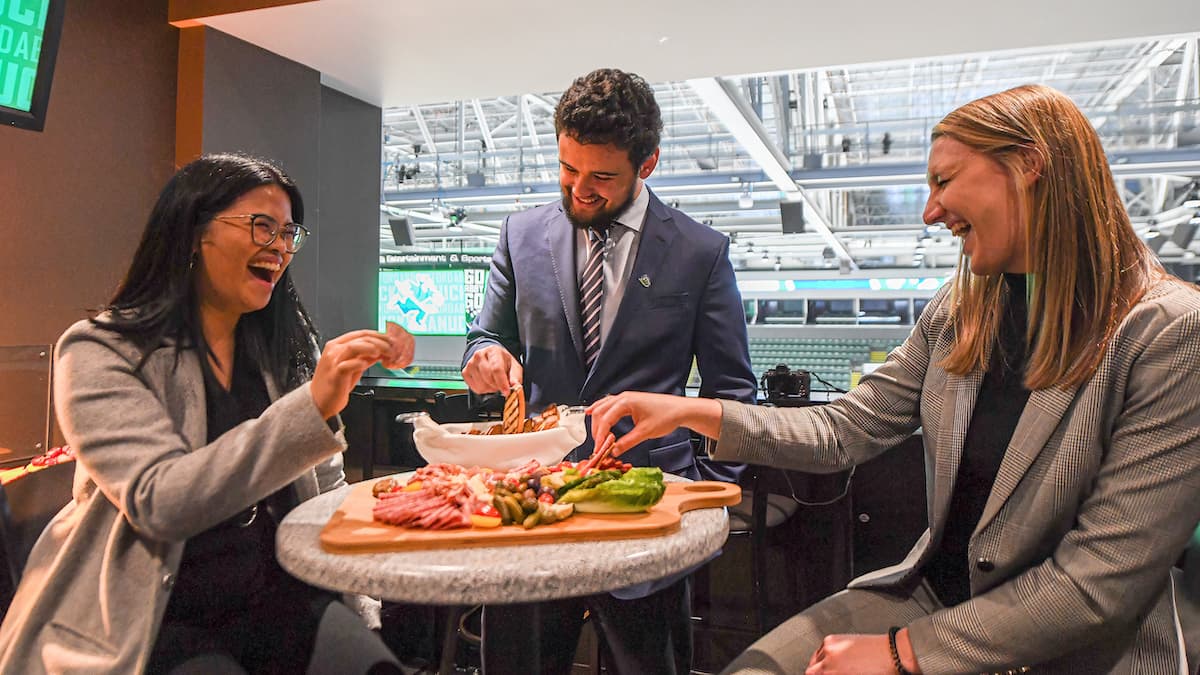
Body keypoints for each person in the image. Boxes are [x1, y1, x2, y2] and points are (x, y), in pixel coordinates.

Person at [589, 84, 1200, 674]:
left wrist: (902, 653)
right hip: (934, 597)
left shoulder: (1168, 333)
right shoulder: (962, 308)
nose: (931, 211)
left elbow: (1097, 584)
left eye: (943, 182)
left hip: (1074, 649)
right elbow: (844, 429)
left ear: (1030, 165)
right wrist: (693, 412)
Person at [0, 153, 411, 674]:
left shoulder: (275, 348)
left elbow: (322, 487)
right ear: (193, 232)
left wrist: (413, 506)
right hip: (156, 616)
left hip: (282, 600)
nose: (280, 248)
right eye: (263, 227)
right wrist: (312, 408)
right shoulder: (100, 351)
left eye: (289, 234)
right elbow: (161, 500)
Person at [461, 67, 757, 674]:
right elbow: (485, 337)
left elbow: (731, 390)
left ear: (646, 165)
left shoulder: (701, 253)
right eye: (568, 169)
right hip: (529, 508)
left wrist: (696, 491)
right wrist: (482, 359)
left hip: (646, 513)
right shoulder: (520, 235)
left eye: (601, 176)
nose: (579, 190)